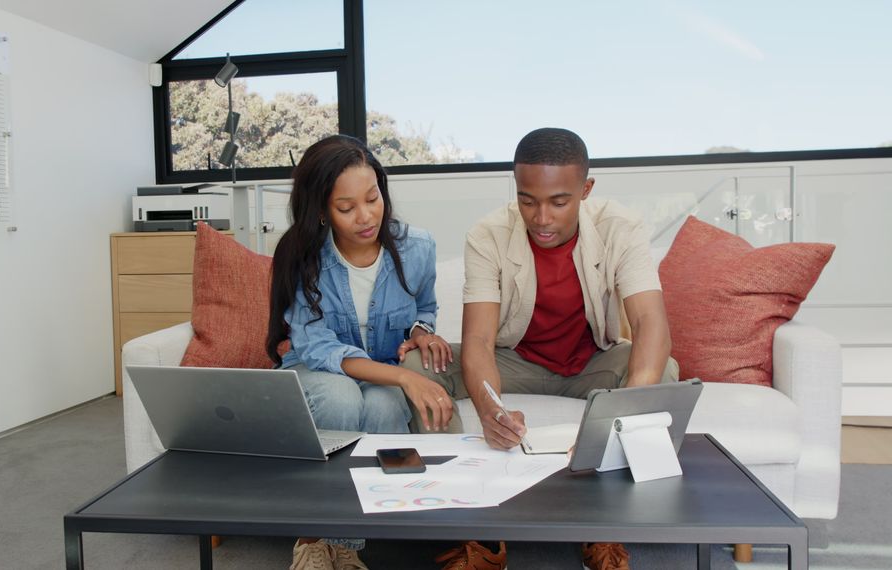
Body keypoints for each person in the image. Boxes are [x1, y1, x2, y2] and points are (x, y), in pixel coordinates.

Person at [403, 128, 679, 570]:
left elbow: (651, 324)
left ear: (586, 190)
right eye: (527, 199)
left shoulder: (620, 227)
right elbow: (477, 340)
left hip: (592, 363)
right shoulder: (488, 234)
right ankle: (475, 533)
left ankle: (604, 529)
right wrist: (492, 409)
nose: (541, 218)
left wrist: (621, 416)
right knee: (419, 365)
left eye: (558, 201)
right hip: (518, 360)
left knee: (659, 370)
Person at [266, 134, 455, 570]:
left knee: (387, 407)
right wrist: (408, 376)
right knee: (340, 396)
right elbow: (317, 346)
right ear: (320, 209)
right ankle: (314, 538)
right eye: (346, 208)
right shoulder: (301, 255)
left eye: (373, 199)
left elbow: (424, 306)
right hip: (316, 371)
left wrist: (422, 330)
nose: (366, 216)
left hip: (381, 371)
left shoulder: (417, 247)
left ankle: (346, 541)